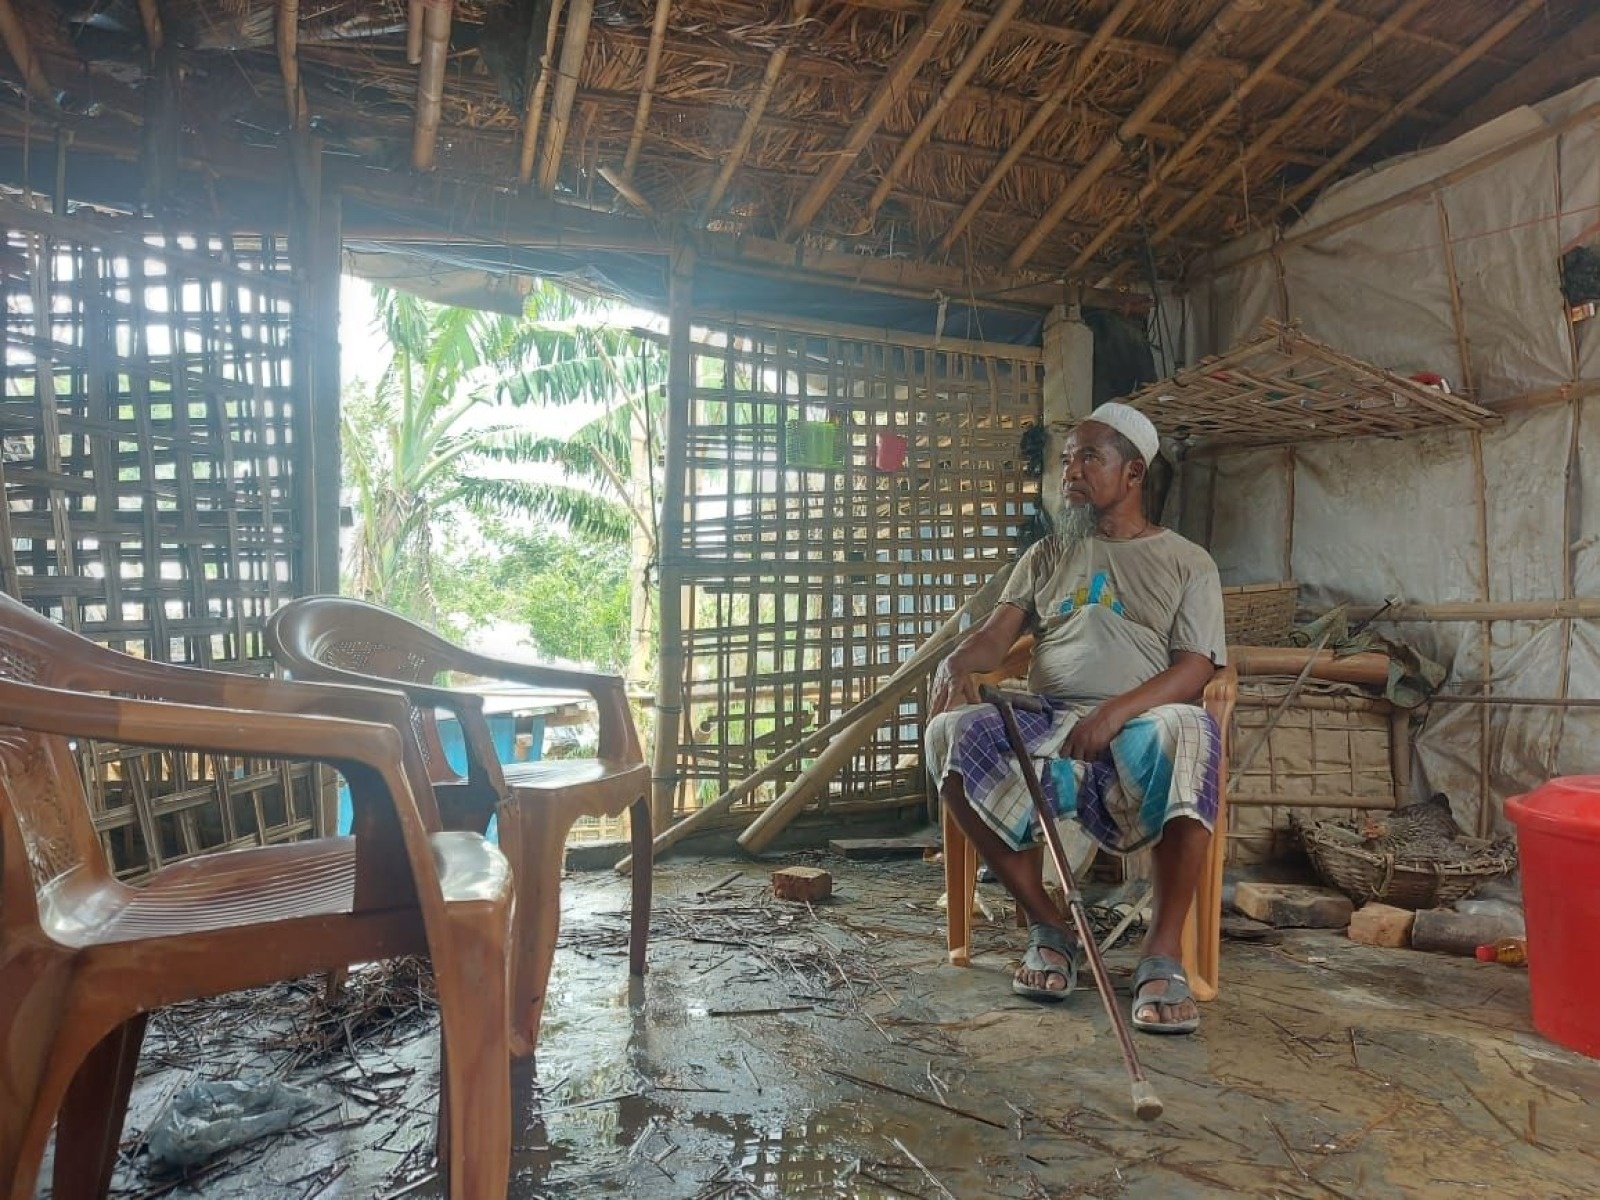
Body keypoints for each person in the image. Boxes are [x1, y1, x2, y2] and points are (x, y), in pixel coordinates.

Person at [925, 402, 1226, 1035]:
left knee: (1193, 729)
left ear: (1134, 472)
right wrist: (958, 660)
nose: (1072, 472)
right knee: (951, 733)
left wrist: (1114, 715)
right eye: (1067, 460)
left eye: (1090, 457)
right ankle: (1050, 926)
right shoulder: (1045, 556)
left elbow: (1196, 667)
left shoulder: (1187, 561)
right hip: (1045, 714)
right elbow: (993, 638)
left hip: (1142, 716)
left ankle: (1161, 953)